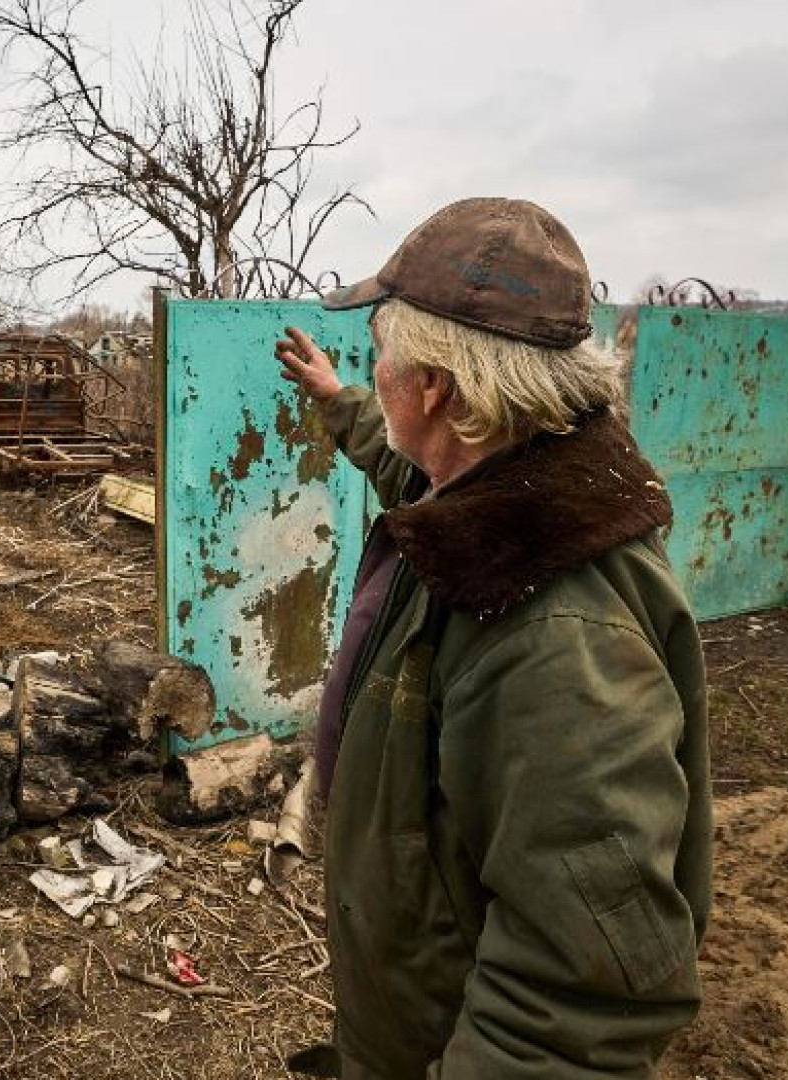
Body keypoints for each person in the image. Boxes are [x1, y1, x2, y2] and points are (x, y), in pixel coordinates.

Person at [272, 198, 711, 1079]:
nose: (377, 364)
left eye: (382, 353)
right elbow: (421, 471)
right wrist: (343, 403)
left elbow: (574, 1008)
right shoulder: (509, 487)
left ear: (434, 386)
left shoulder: (558, 640)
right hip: (417, 1011)